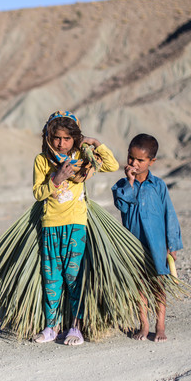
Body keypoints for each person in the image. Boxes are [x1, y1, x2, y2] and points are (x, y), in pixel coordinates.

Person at [31, 111, 119, 345]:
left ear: (75, 139)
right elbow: (38, 193)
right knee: (51, 278)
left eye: (67, 138)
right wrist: (57, 178)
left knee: (73, 276)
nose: (61, 143)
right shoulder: (42, 160)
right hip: (50, 225)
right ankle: (51, 327)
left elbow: (112, 165)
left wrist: (97, 144)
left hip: (76, 225)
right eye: (57, 137)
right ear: (49, 136)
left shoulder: (84, 157)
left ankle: (76, 327)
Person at [111, 133, 183, 342]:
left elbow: (169, 213)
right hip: (134, 245)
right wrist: (130, 182)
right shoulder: (121, 186)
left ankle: (160, 326)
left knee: (158, 285)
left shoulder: (158, 185)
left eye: (140, 160)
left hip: (157, 245)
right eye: (131, 158)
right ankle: (144, 325)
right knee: (139, 286)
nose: (134, 163)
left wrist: (172, 245)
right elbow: (122, 205)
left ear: (152, 161)